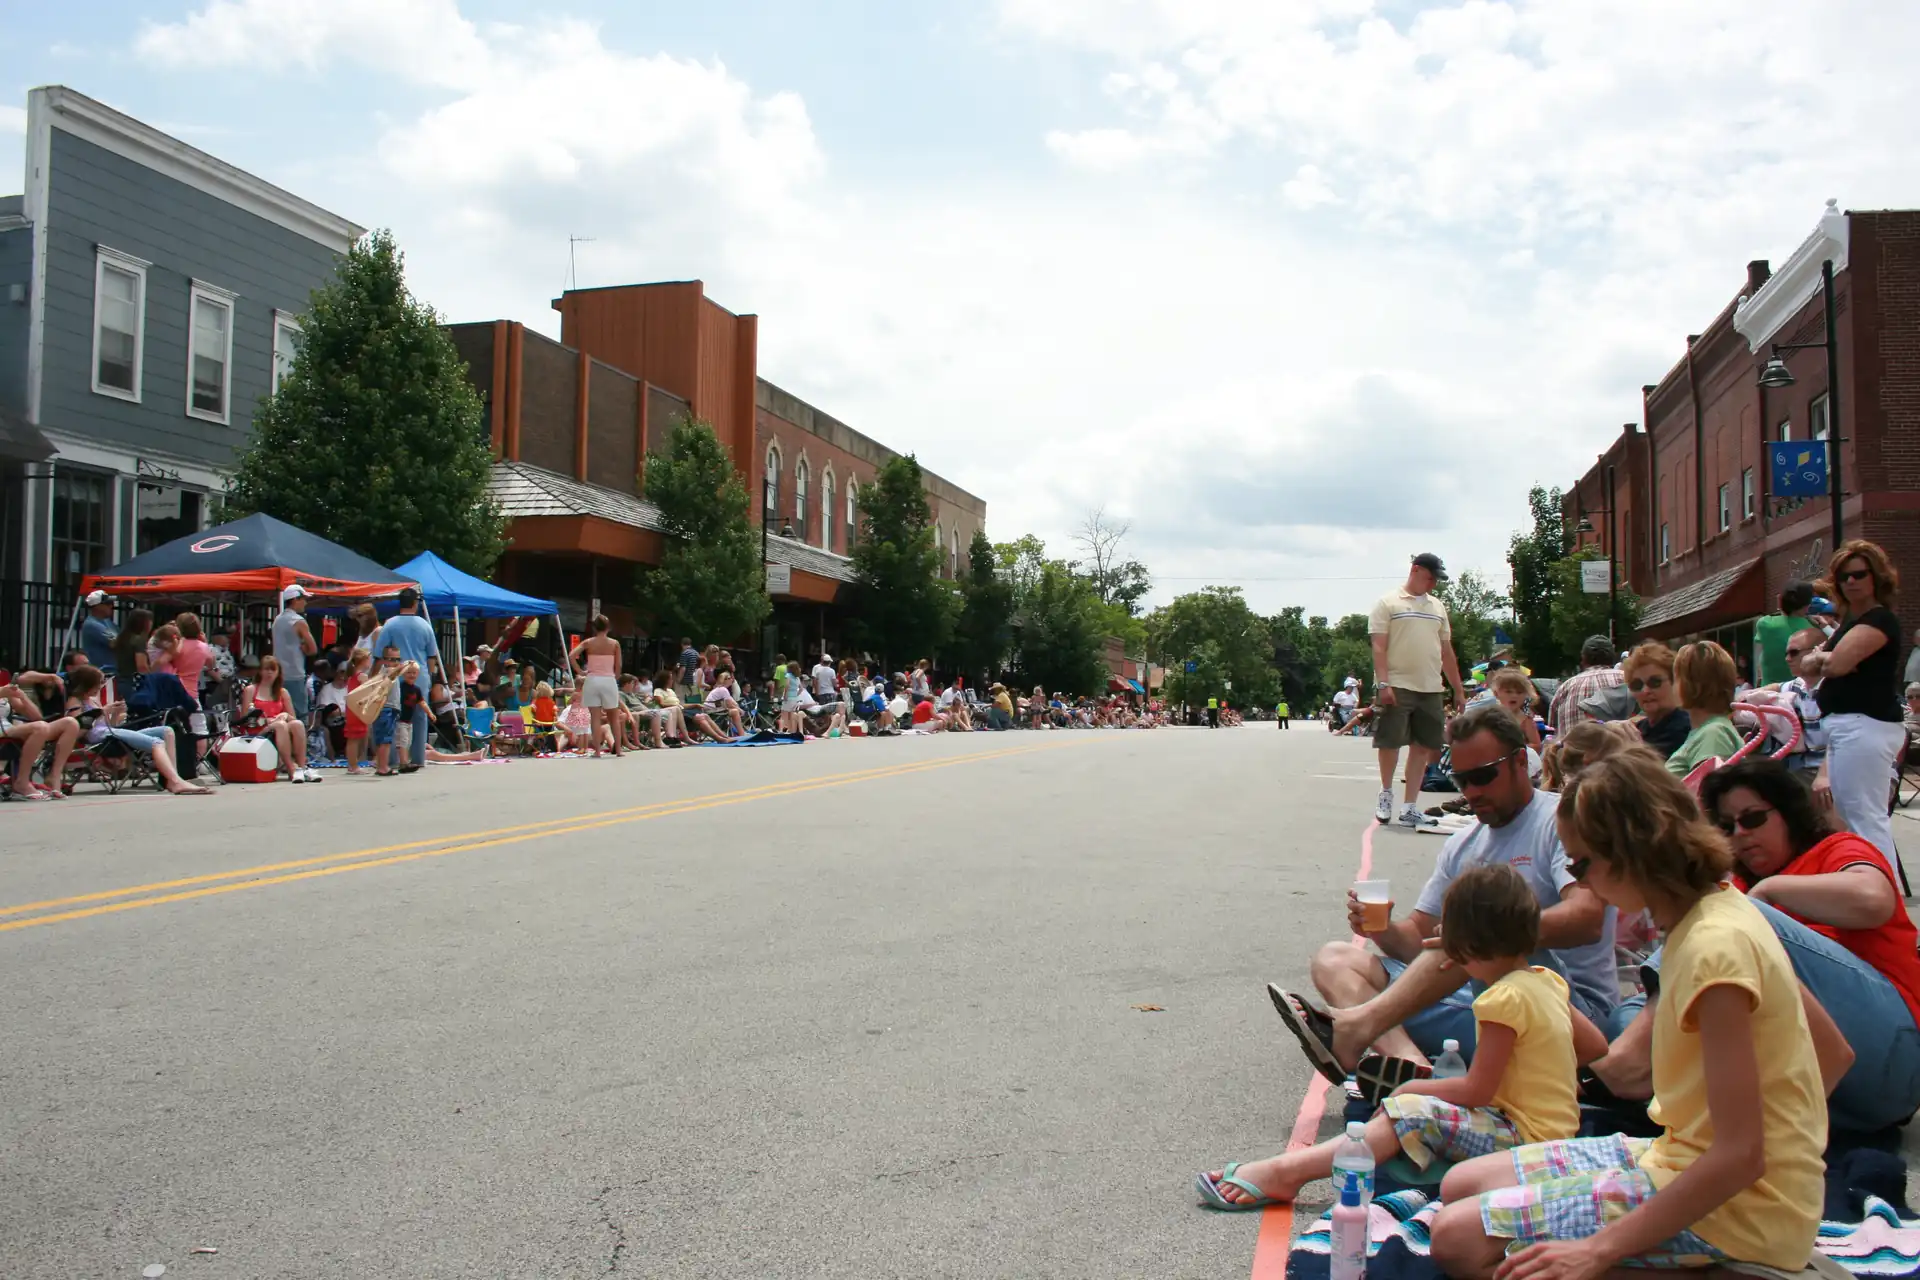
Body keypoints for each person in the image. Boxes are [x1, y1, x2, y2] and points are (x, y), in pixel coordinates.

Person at [1430, 750, 1844, 1280]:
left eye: (1581, 864)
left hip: (1740, 1209)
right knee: (1461, 1185)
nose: (1581, 882)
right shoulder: (1722, 908)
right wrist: (1786, 1146)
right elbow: (1834, 1053)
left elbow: (1740, 1155)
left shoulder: (1713, 950)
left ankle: (1738, 1267)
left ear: (1628, 852)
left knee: (1458, 1238)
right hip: (1688, 1160)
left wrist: (1598, 1249)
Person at [1200, 864, 1605, 1208]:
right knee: (1420, 1109)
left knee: (1408, 1111)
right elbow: (1594, 1046)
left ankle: (1288, 1173)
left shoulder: (1501, 999)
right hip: (1557, 1132)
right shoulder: (1547, 981)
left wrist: (1413, 1088)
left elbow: (1478, 1090)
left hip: (1523, 1139)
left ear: (1468, 946)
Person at [1268, 703, 1616, 1083]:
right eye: (1461, 780)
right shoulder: (1464, 844)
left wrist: (1488, 932)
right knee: (1334, 960)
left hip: (1569, 1015)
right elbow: (1418, 942)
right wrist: (1382, 929)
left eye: (1483, 776)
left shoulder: (1559, 821)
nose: (1472, 792)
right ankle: (1411, 1068)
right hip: (1484, 1003)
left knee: (1474, 927)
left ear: (1520, 761)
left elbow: (1587, 918)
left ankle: (1356, 1030)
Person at [1698, 757, 1920, 1133]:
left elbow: (1873, 900)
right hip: (1823, 1091)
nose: (1740, 834)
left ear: (1787, 813)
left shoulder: (1836, 850)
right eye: (1726, 827)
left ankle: (1630, 1065)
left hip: (1891, 1054)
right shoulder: (1741, 886)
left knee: (1730, 915)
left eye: (1753, 818)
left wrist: (1769, 892)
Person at [1800, 540, 1907, 866]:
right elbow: (1807, 665)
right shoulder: (1850, 622)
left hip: (1865, 726)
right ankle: (1871, 884)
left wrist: (1826, 657)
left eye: (1859, 574)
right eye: (1844, 576)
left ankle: (1882, 890)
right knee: (1850, 816)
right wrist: (1827, 658)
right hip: (1847, 728)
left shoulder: (1879, 620)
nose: (1851, 581)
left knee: (1865, 820)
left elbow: (1834, 666)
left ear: (1876, 577)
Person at [1367, 552, 1469, 829]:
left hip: (1431, 686)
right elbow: (1379, 646)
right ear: (1415, 570)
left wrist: (1458, 689)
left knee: (1424, 745)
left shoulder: (1437, 607)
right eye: (1430, 577)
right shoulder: (1388, 603)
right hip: (1397, 683)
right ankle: (1386, 792)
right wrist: (1383, 683)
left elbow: (1446, 651)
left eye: (1436, 580)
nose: (1433, 584)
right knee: (1390, 741)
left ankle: (1410, 806)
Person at [63, 665, 211, 795]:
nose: (100, 687)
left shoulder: (92, 700)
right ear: (87, 684)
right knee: (156, 743)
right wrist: (102, 711)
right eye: (98, 684)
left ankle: (171, 780)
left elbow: (109, 725)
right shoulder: (75, 702)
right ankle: (176, 781)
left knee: (167, 731)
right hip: (99, 738)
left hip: (110, 733)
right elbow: (78, 730)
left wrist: (114, 713)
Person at [374, 587, 439, 774]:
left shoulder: (390, 624)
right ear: (415, 603)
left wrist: (374, 677)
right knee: (419, 716)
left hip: (396, 675)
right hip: (420, 675)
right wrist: (430, 676)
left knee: (394, 716)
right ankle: (418, 757)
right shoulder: (425, 625)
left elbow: (379, 654)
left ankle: (394, 759)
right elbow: (432, 655)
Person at [1664, 641, 1745, 779]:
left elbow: (1706, 789)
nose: (1672, 685)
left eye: (1676, 678)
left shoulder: (1714, 733)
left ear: (1693, 685)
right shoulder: (1707, 730)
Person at [242, 655, 318, 783]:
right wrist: (268, 720)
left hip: (279, 727)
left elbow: (292, 718)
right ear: (260, 671)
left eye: (273, 669)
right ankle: (291, 768)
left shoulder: (282, 692)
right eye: (266, 669)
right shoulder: (251, 690)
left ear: (278, 672)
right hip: (258, 730)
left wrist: (286, 715)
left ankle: (301, 767)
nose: (269, 673)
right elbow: (245, 718)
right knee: (280, 725)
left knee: (297, 724)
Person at [2, 678, 80, 799]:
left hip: (7, 729)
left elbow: (36, 717)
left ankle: (53, 777)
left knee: (70, 723)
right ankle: (22, 782)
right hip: (3, 731)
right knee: (40, 727)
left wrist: (22, 697)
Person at [1546, 635, 1626, 735]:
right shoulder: (1627, 679)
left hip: (1574, 745)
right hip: (1621, 744)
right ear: (1612, 657)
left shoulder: (1565, 688)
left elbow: (1551, 732)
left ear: (1583, 658)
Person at [568, 615, 624, 757]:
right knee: (614, 717)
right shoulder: (614, 643)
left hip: (592, 679)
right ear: (608, 627)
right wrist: (615, 677)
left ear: (594, 627)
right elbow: (618, 665)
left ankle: (597, 751)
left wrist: (580, 671)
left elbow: (571, 655)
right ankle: (618, 750)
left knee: (595, 717)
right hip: (608, 679)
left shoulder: (589, 642)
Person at [1623, 642, 1690, 759]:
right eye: (1637, 685)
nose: (1645, 691)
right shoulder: (1639, 728)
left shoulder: (1686, 729)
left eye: (1654, 682)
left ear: (1675, 682)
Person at [1756, 581, 1820, 687]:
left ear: (1780, 600)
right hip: (1800, 690)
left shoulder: (1765, 624)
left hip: (1769, 690)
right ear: (1808, 605)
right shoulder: (1815, 629)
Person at [272, 585, 318, 722]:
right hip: (295, 673)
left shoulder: (277, 620)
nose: (305, 603)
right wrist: (304, 649)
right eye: (303, 599)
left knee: (280, 714)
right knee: (299, 715)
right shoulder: (298, 621)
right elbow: (313, 649)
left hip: (278, 673)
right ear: (295, 599)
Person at [80, 590, 118, 673]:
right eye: (108, 603)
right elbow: (116, 644)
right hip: (101, 672)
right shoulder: (92, 624)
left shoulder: (108, 622)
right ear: (97, 606)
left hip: (113, 671)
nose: (111, 606)